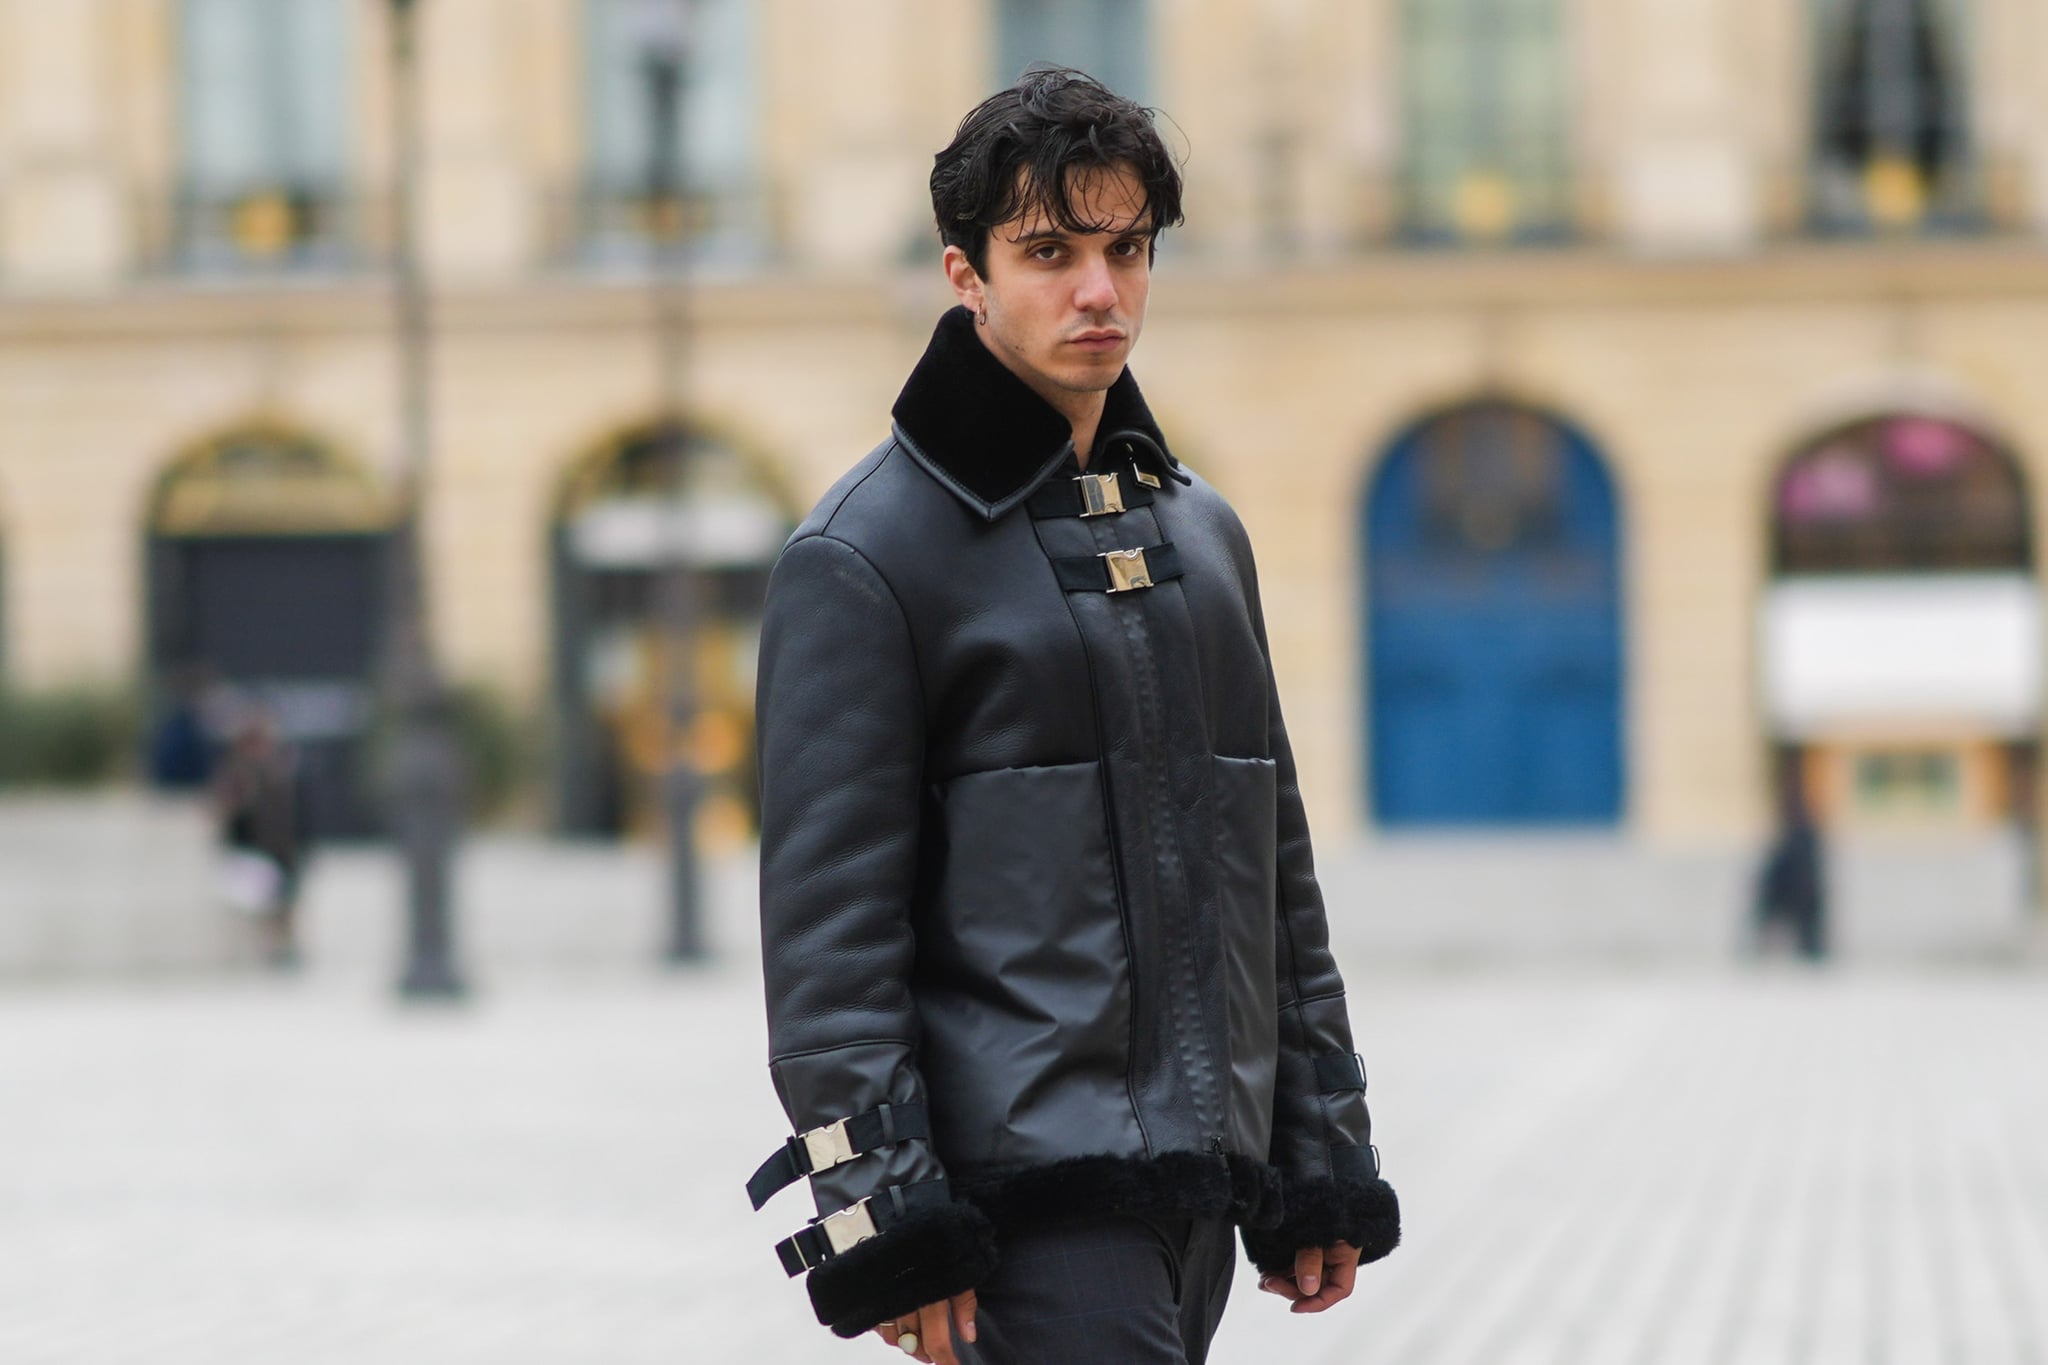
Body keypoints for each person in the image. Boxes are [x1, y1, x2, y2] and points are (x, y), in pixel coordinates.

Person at [748, 69, 1399, 1364]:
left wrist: (1320, 1148)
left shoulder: (1201, 533)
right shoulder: (864, 555)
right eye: (1049, 253)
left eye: (1127, 249)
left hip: (1198, 1197)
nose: (1098, 291)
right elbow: (828, 947)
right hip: (1019, 1207)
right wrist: (883, 1209)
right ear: (965, 272)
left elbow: (1274, 872)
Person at [213, 704, 311, 968]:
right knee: (266, 899)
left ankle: (285, 947)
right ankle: (273, 949)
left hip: (283, 852)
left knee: (286, 898)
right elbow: (227, 817)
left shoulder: (281, 771)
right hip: (252, 855)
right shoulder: (237, 774)